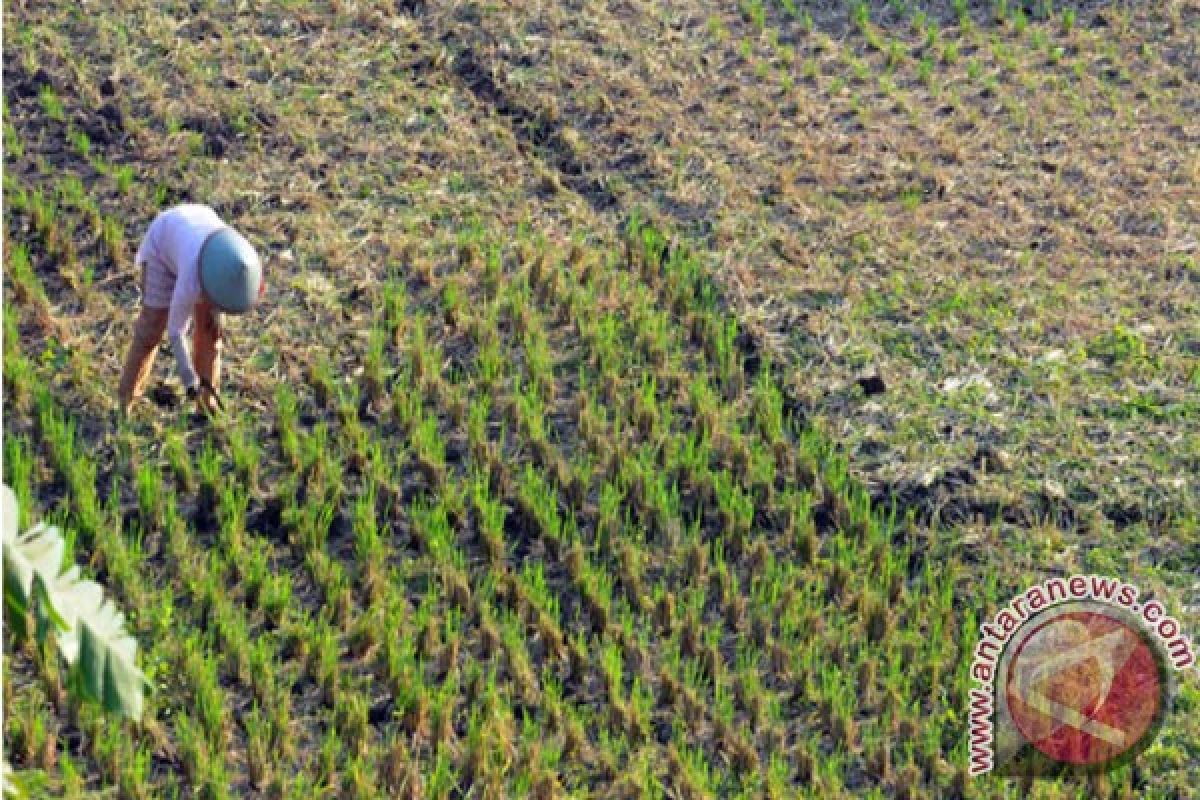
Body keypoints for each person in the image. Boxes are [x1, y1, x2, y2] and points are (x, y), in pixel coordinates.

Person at [117, 204, 265, 416]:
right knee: (151, 329)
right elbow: (176, 331)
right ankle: (125, 404)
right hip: (163, 243)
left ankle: (207, 407)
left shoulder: (244, 264)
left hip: (204, 237)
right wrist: (188, 378)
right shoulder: (191, 280)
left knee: (211, 331)